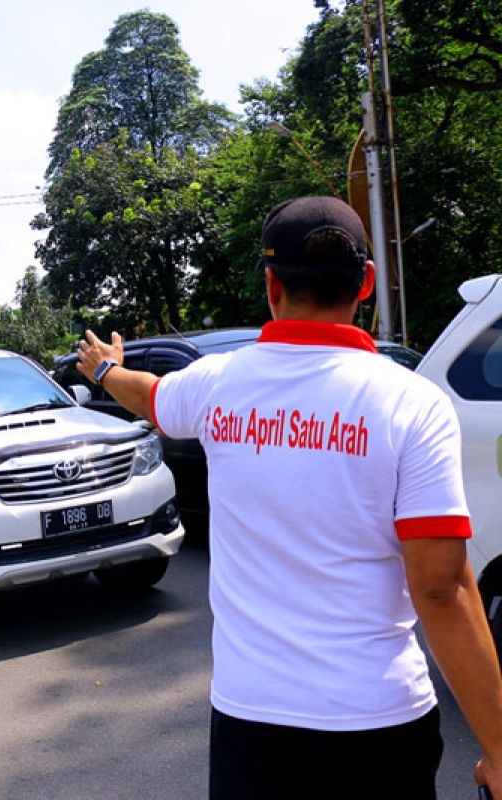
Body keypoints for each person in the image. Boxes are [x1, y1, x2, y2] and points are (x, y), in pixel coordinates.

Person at [75, 195, 502, 800]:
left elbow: (150, 395)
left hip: (253, 720)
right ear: (368, 283)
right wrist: (499, 749)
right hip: (378, 720)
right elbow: (442, 588)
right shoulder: (411, 403)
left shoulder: (219, 383)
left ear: (272, 285)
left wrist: (103, 373)